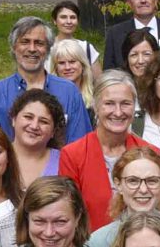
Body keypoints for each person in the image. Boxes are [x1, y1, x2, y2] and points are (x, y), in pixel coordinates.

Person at [0, 15, 90, 142]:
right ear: (14, 47)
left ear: (48, 49)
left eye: (39, 43)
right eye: (25, 42)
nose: (32, 49)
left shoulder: (69, 92)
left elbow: (82, 144)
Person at [61, 70, 144, 231]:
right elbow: (68, 212)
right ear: (96, 106)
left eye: (125, 103)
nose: (118, 112)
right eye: (109, 103)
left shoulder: (149, 153)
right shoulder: (73, 155)